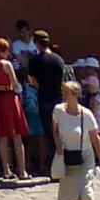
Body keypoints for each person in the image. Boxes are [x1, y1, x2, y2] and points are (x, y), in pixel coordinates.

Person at [52, 73, 100, 200]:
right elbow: (55, 131)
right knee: (75, 195)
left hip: (85, 156)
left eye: (67, 93)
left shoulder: (86, 115)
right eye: (63, 93)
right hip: (68, 157)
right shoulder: (58, 111)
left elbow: (96, 138)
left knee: (86, 193)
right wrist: (58, 146)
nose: (64, 96)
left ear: (75, 95)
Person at [0, 38, 29, 182]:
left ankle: (6, 170)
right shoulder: (7, 64)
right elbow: (15, 84)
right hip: (9, 99)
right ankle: (22, 171)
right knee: (16, 136)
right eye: (7, 49)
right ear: (2, 50)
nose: (9, 52)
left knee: (2, 138)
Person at [31, 32, 66, 177]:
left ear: (36, 43)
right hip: (59, 99)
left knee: (50, 135)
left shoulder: (35, 60)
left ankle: (56, 168)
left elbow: (32, 82)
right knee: (61, 133)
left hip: (44, 99)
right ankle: (66, 166)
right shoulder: (59, 60)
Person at [72, 61, 100, 171]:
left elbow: (91, 91)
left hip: (96, 118)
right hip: (96, 114)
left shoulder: (92, 84)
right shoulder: (96, 82)